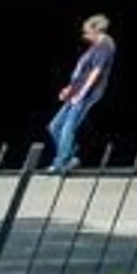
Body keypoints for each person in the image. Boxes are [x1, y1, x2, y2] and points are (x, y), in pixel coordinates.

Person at [47, 15, 115, 172]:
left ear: (96, 30)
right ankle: (70, 155)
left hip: (86, 95)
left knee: (67, 129)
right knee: (54, 126)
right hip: (75, 93)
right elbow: (81, 73)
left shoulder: (105, 46)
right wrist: (69, 89)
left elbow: (95, 73)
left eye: (87, 33)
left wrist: (82, 94)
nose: (85, 36)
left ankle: (61, 163)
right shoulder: (93, 48)